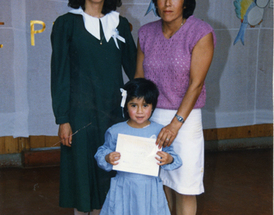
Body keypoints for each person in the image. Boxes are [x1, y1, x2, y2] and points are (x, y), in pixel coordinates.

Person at [50, 0, 137, 214]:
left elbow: (136, 70)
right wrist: (63, 118)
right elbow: (59, 74)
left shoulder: (120, 23)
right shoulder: (66, 24)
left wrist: (139, 111)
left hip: (113, 115)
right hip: (79, 115)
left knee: (110, 174)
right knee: (82, 176)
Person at [135, 0, 216, 214]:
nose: (168, 3)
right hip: (150, 118)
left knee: (185, 186)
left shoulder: (200, 32)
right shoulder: (145, 33)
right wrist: (137, 119)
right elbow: (139, 78)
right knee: (159, 183)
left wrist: (175, 124)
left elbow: (196, 85)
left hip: (185, 120)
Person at [94, 78, 182, 215]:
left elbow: (175, 158)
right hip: (123, 188)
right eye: (134, 105)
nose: (140, 111)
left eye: (145, 105)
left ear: (153, 106)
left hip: (150, 190)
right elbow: (102, 152)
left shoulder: (160, 132)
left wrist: (168, 159)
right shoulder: (115, 131)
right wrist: (107, 157)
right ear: (126, 106)